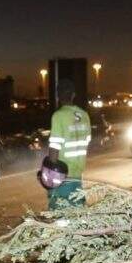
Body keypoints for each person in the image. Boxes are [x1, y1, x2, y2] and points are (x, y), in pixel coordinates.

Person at [46, 79, 92, 209]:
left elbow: (54, 148)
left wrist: (50, 174)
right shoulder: (84, 115)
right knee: (77, 215)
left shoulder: (58, 116)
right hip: (77, 175)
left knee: (60, 217)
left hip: (62, 176)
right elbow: (87, 141)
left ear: (58, 96)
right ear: (73, 95)